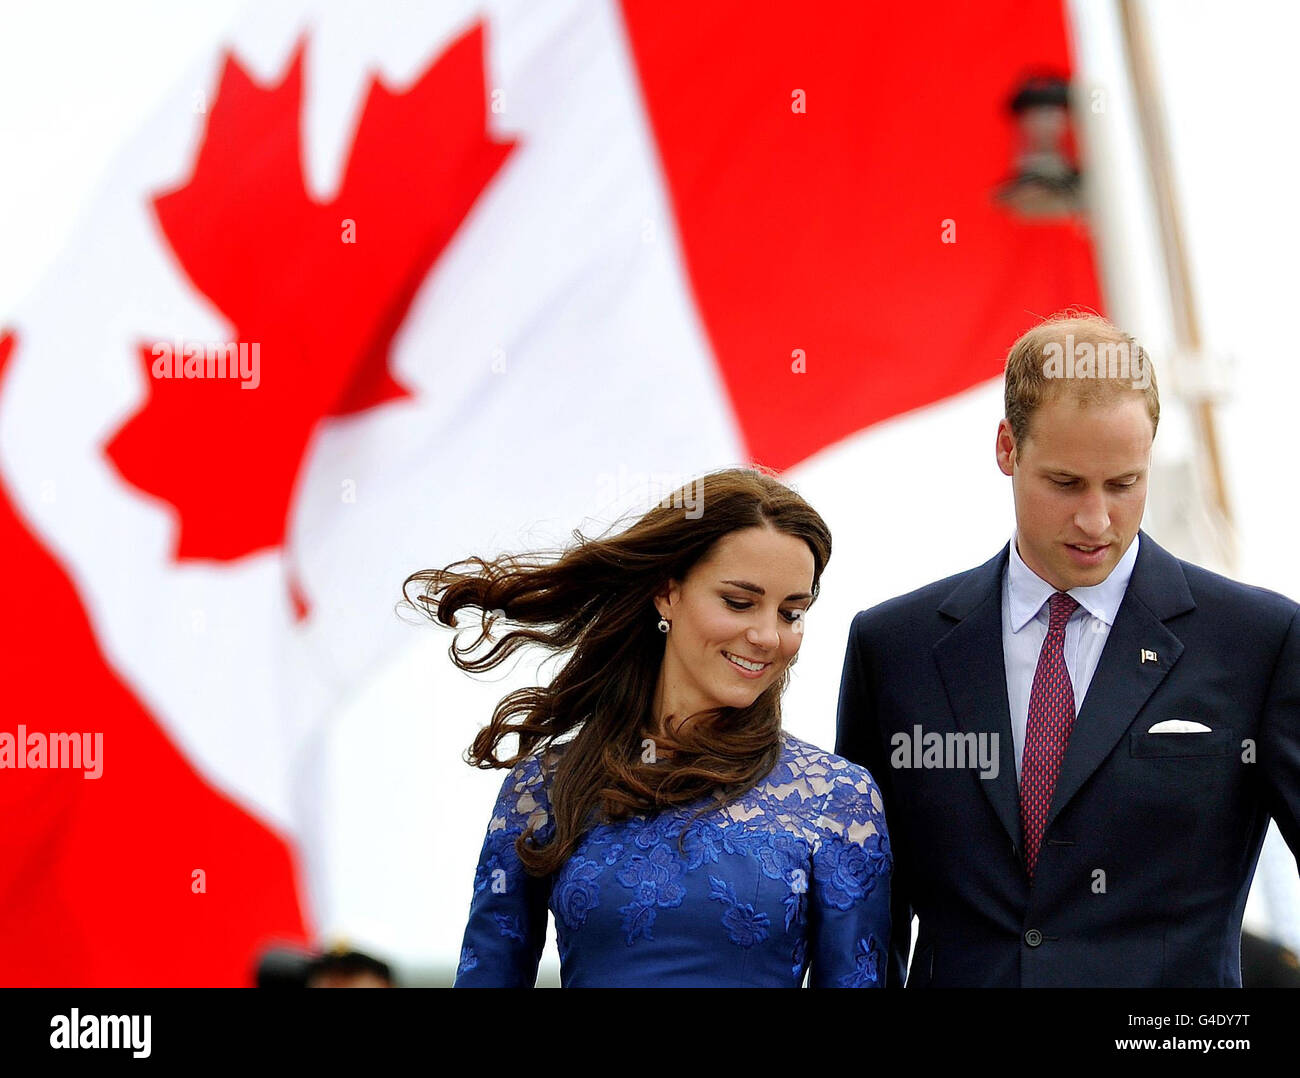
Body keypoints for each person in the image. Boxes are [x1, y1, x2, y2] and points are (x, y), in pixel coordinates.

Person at [835, 312, 1300, 987]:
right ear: (1006, 448)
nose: (1095, 520)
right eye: (1065, 483)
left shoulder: (1259, 642)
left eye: (1123, 484)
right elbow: (868, 917)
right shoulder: (893, 648)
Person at [404, 468, 891, 987]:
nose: (768, 636)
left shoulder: (837, 797)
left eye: (792, 612)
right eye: (739, 602)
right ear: (666, 593)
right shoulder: (543, 787)